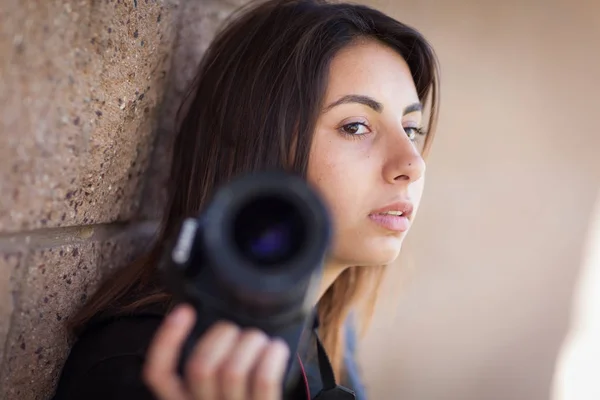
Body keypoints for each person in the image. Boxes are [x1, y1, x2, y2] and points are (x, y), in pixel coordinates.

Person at [51, 0, 440, 399]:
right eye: (355, 126)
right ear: (263, 152)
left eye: (411, 129)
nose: (411, 163)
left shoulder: (327, 328)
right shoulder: (151, 368)